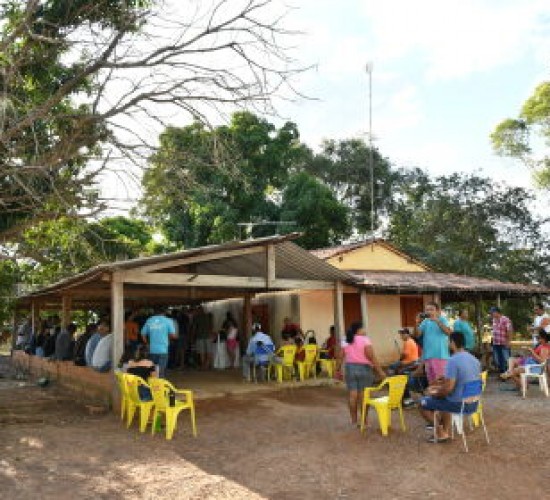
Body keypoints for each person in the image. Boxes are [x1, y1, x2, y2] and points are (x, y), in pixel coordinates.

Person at [419, 332, 481, 443]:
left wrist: (434, 393)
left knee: (422, 403)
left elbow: (448, 390)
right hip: (474, 404)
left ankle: (440, 433)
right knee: (444, 399)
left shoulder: (453, 360)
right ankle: (445, 431)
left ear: (452, 343)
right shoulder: (474, 360)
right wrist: (445, 381)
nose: (448, 344)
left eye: (448, 341)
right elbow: (466, 378)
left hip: (459, 405)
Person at [340, 321, 385, 427]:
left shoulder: (345, 339)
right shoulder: (365, 339)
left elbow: (340, 356)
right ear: (359, 329)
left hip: (350, 368)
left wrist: (337, 369)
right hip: (364, 369)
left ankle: (354, 421)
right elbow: (371, 356)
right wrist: (380, 371)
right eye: (363, 328)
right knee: (364, 396)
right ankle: (364, 421)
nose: (365, 330)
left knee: (352, 395)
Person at [415, 302, 451, 383]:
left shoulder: (442, 319)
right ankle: (434, 396)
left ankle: (442, 396)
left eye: (431, 309)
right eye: (427, 310)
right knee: (431, 383)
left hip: (440, 356)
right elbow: (417, 335)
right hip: (428, 357)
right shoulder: (425, 321)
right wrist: (417, 323)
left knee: (441, 383)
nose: (429, 312)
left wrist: (437, 321)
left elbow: (448, 332)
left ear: (437, 311)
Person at [141, 307, 175, 378]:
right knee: (161, 371)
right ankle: (159, 387)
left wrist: (147, 344)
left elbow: (143, 334)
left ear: (154, 312)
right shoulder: (168, 321)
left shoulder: (149, 320)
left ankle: (153, 386)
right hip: (163, 350)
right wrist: (168, 339)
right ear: (164, 313)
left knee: (152, 371)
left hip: (152, 350)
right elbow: (172, 335)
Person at [490, 306, 513, 373]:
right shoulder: (494, 320)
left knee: (506, 359)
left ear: (497, 312)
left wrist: (508, 341)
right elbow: (494, 331)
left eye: (492, 312)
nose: (491, 314)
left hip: (503, 343)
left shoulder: (505, 319)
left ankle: (507, 373)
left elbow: (510, 330)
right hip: (495, 343)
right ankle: (501, 372)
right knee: (497, 359)